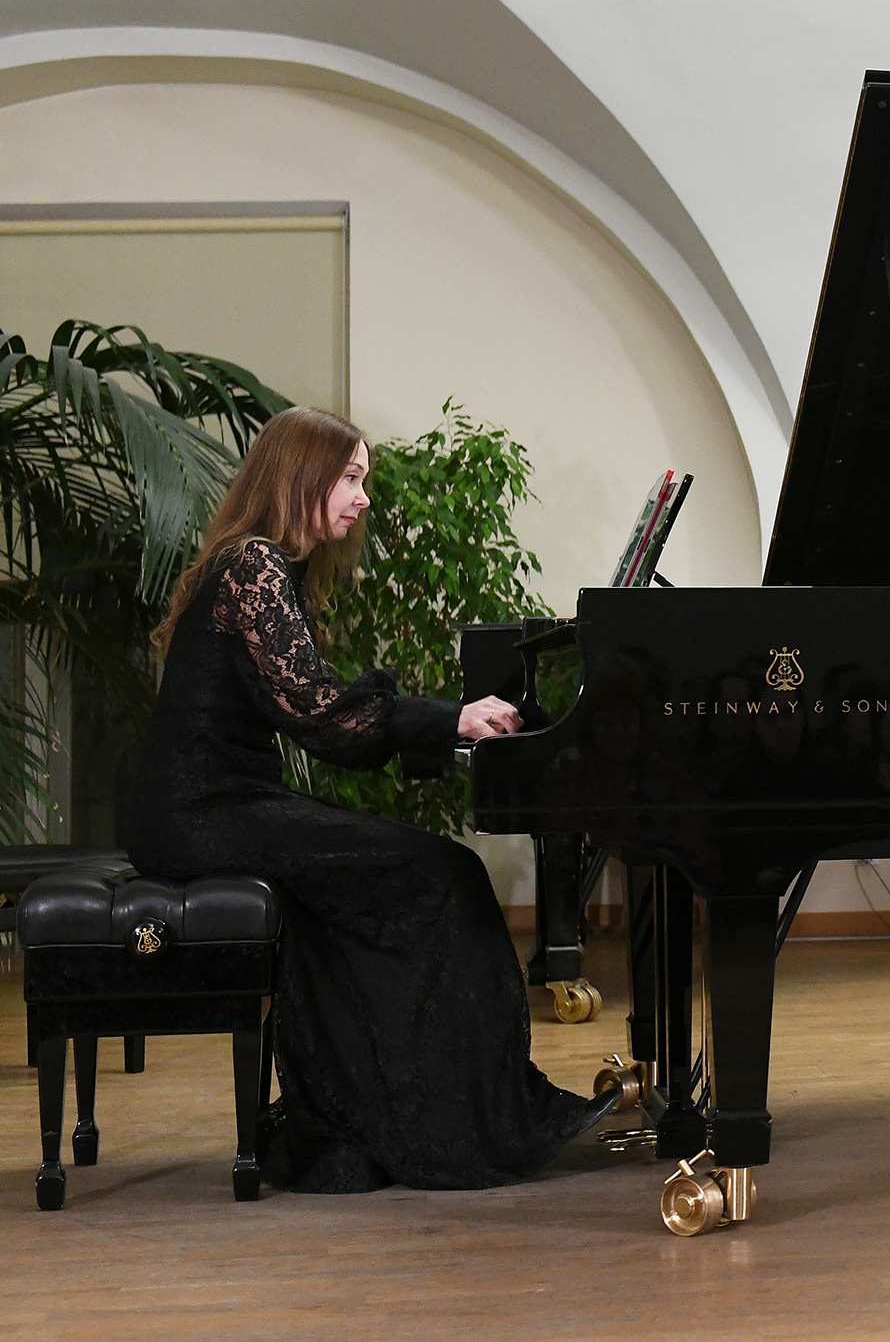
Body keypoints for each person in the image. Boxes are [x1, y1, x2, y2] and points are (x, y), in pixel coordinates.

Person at [127, 406, 612, 1191]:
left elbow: (320, 716)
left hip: (215, 807)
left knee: (378, 885)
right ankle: (455, 1121)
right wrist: (452, 718)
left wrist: (438, 723)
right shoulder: (254, 566)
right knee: (444, 873)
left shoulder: (259, 564)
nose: (363, 497)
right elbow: (321, 715)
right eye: (350, 477)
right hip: (202, 815)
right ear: (303, 475)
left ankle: (365, 1120)